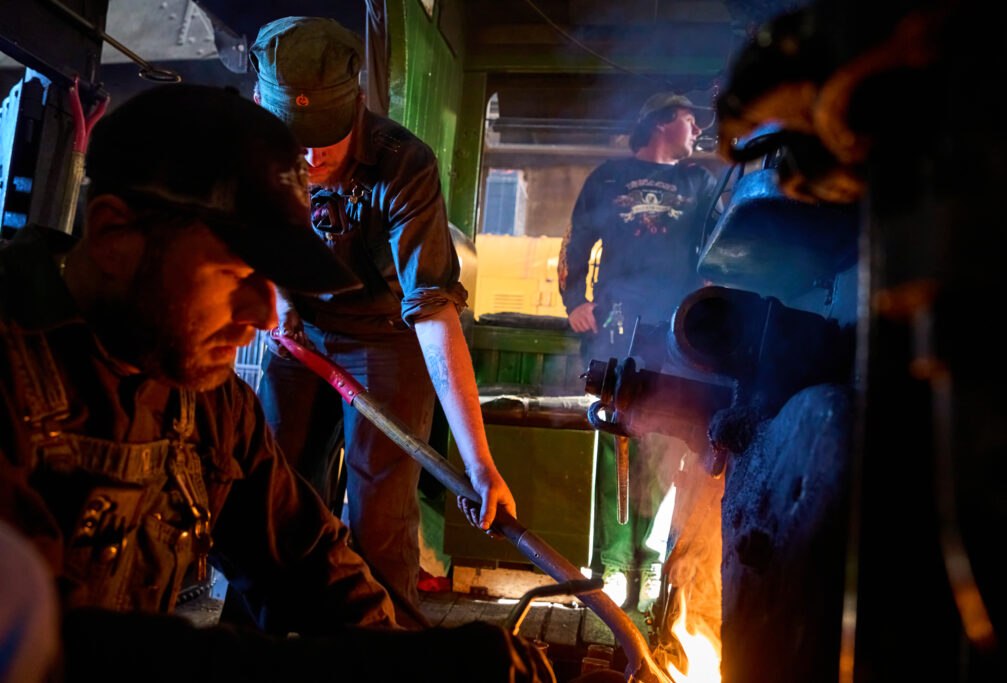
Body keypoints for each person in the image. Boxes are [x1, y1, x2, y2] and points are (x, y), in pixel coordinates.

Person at [0, 83, 553, 683]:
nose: (266, 316)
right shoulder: (10, 371)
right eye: (235, 272)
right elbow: (57, 648)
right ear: (112, 236)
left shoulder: (209, 404)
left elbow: (307, 558)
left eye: (273, 280)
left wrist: (407, 652)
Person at [249, 16, 516, 612]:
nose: (311, 155)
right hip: (304, 337)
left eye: (327, 134)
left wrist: (478, 462)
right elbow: (256, 229)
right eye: (295, 137)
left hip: (389, 339)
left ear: (359, 104)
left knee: (379, 514)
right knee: (272, 494)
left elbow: (432, 312)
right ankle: (257, 643)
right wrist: (284, 300)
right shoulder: (255, 153)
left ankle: (381, 654)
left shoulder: (404, 166)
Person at [558, 91, 719, 612]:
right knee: (615, 437)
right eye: (690, 119)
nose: (697, 129)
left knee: (662, 444)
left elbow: (720, 249)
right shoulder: (609, 176)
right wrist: (573, 300)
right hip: (618, 322)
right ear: (665, 121)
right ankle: (608, 565)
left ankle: (648, 570)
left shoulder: (701, 182)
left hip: (677, 331)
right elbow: (576, 242)